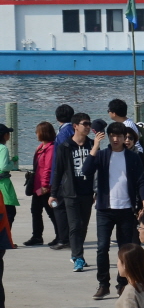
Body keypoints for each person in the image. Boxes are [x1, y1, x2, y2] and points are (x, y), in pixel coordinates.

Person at [85, 122, 144, 299]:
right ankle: (103, 284)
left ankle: (122, 284)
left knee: (125, 249)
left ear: (124, 138)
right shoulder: (102, 155)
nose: (115, 139)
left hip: (126, 210)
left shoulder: (132, 157)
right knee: (101, 248)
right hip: (105, 209)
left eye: (119, 136)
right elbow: (86, 170)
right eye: (112, 136)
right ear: (108, 136)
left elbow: (141, 181)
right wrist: (95, 147)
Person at [50, 112, 96, 271]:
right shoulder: (65, 146)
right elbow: (58, 171)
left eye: (89, 124)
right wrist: (53, 193)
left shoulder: (92, 144)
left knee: (83, 226)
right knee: (75, 225)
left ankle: (77, 254)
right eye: (85, 124)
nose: (88, 127)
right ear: (75, 126)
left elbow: (98, 168)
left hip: (87, 192)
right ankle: (79, 257)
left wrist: (97, 190)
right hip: (70, 192)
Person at [45, 103, 76, 248]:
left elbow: (61, 157)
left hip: (63, 176)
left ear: (57, 117)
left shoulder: (63, 132)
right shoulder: (72, 130)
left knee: (59, 207)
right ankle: (64, 236)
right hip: (69, 176)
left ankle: (63, 238)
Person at [24, 121, 55, 246]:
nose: (36, 134)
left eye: (37, 132)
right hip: (37, 185)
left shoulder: (51, 148)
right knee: (35, 211)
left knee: (51, 212)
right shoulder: (41, 147)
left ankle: (60, 235)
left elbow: (48, 168)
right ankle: (37, 236)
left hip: (44, 186)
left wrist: (45, 185)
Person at [0, 125, 17, 236]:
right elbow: (4, 166)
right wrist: (12, 162)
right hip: (3, 184)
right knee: (9, 212)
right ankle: (5, 239)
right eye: (8, 133)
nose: (9, 135)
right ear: (4, 135)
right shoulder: (3, 148)